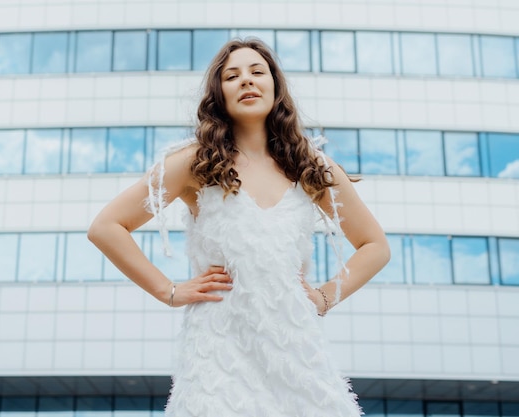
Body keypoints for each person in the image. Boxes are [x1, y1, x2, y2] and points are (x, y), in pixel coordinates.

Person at [88, 38, 390, 417]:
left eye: (257, 72)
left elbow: (375, 245)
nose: (246, 81)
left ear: (275, 87)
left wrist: (325, 296)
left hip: (295, 350)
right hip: (219, 354)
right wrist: (169, 290)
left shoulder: (310, 165)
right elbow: (106, 226)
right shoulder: (194, 163)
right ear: (220, 94)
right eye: (233, 76)